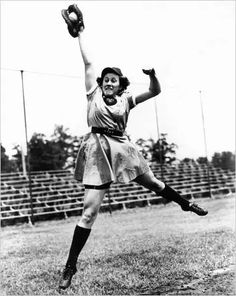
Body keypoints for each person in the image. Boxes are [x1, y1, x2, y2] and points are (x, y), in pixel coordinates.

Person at [59, 4, 208, 290]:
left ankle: (185, 204)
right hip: (98, 150)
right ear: (101, 84)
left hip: (122, 148)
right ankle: (70, 266)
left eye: (114, 79)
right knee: (88, 212)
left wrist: (152, 74)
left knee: (153, 183)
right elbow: (89, 65)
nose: (109, 82)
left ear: (120, 84)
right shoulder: (93, 94)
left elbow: (155, 90)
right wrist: (80, 33)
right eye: (106, 80)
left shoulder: (127, 99)